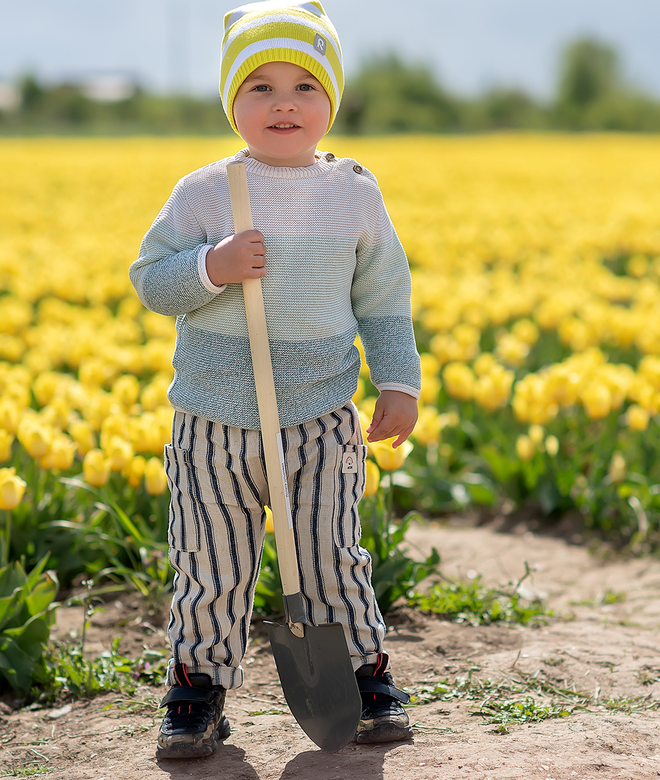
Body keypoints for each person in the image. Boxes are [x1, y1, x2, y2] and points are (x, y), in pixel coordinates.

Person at [130, 0, 421, 759]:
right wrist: (210, 267)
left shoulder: (354, 191)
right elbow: (151, 282)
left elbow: (383, 296)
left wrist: (397, 381)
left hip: (321, 416)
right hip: (212, 421)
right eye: (259, 87)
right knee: (211, 562)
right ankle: (196, 687)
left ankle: (363, 675)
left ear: (333, 99)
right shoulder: (204, 192)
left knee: (332, 555)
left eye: (304, 85)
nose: (284, 102)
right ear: (232, 102)